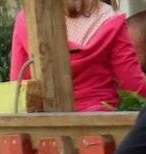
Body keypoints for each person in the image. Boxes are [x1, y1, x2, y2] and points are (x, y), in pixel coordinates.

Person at [10, 0, 145, 112]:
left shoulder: (27, 20)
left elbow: (18, 86)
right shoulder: (110, 19)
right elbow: (133, 85)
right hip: (101, 125)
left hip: (48, 129)